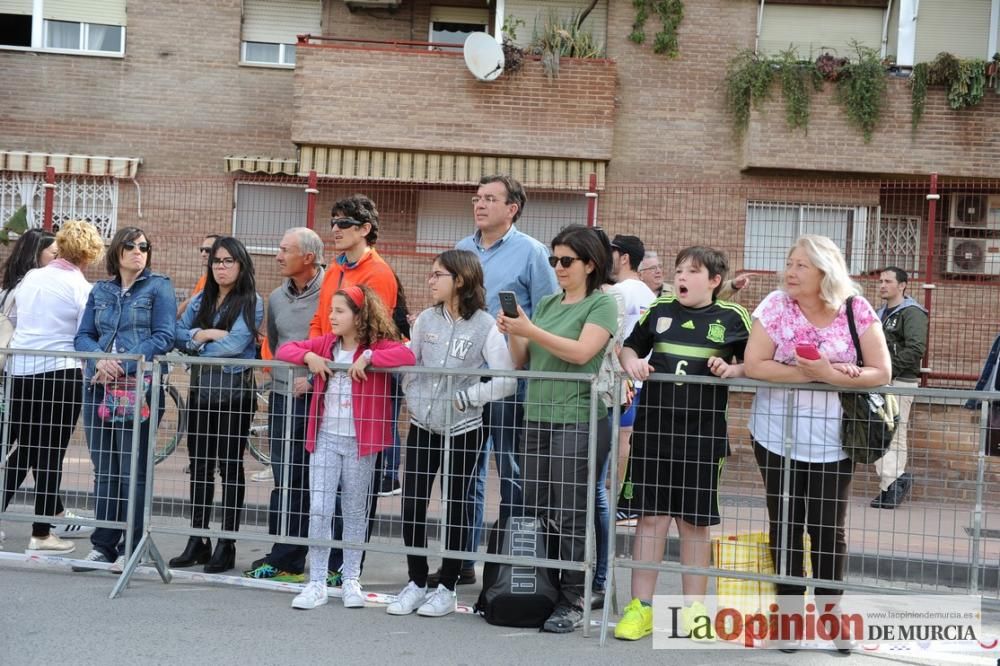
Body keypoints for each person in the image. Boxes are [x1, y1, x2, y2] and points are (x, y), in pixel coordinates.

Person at [744, 234, 891, 652]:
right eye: (789, 263)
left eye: (801, 265)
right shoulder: (774, 306)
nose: (789, 272)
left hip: (835, 440)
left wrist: (826, 374)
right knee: (786, 526)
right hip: (776, 436)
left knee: (828, 530)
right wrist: (820, 373)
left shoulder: (855, 309)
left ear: (825, 271)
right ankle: (789, 619)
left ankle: (831, 615)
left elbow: (881, 371)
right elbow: (755, 364)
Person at [613, 246, 751, 642]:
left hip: (703, 437)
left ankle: (693, 612)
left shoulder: (733, 317)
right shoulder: (659, 310)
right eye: (678, 270)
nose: (682, 277)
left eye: (693, 271)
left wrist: (734, 368)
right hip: (654, 433)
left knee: (694, 524)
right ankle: (640, 609)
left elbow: (756, 361)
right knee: (650, 519)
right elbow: (628, 348)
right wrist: (632, 363)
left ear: (714, 281)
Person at [497, 224, 617, 633]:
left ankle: (573, 597)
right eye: (554, 260)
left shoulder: (602, 305)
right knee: (535, 509)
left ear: (590, 264)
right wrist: (515, 331)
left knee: (569, 513)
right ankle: (544, 589)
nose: (558, 267)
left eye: (567, 261)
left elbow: (584, 353)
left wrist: (530, 330)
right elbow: (520, 360)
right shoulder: (547, 303)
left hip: (578, 419)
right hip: (537, 416)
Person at [388, 250, 516, 618]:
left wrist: (470, 397)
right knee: (413, 503)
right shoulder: (426, 318)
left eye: (437, 274)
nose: (430, 280)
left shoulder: (486, 324)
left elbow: (506, 380)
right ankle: (415, 581)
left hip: (464, 428)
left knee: (457, 506)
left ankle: (446, 586)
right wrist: (413, 392)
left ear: (459, 280)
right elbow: (410, 360)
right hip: (423, 424)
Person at [277, 285, 414, 610]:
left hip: (359, 443)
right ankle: (317, 582)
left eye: (339, 311)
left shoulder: (375, 346)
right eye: (331, 310)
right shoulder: (327, 343)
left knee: (354, 510)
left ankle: (351, 577)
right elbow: (286, 350)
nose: (331, 317)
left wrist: (370, 357)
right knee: (320, 508)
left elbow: (407, 354)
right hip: (324, 437)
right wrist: (309, 356)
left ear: (359, 315)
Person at [451, 174, 559, 586]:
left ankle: (505, 560)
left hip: (513, 377)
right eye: (477, 198)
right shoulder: (462, 249)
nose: (479, 205)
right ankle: (462, 559)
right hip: (467, 374)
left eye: (490, 199)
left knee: (510, 468)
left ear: (512, 208)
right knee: (466, 469)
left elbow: (547, 311)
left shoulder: (533, 253)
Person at [73, 227, 176, 570]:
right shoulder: (101, 290)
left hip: (140, 388)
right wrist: (100, 359)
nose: (138, 251)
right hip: (98, 387)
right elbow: (83, 336)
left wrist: (122, 363)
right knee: (105, 470)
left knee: (133, 469)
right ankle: (103, 545)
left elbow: (164, 336)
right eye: (130, 246)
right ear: (116, 251)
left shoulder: (159, 286)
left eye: (144, 246)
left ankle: (133, 546)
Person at [308, 194, 398, 581]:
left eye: (344, 224)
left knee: (356, 498)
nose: (335, 230)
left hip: (360, 386)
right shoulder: (333, 270)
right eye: (333, 222)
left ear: (365, 229)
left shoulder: (379, 273)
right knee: (322, 498)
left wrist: (353, 358)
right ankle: (321, 568)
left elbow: (377, 331)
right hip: (327, 376)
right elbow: (319, 321)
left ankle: (349, 570)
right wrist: (314, 358)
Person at [3, 220, 103, 554]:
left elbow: (15, 318)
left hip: (21, 371)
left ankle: (36, 527)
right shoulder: (81, 287)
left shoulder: (32, 276)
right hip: (60, 373)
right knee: (50, 455)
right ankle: (42, 533)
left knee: (25, 449)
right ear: (89, 254)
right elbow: (85, 332)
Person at [172, 237, 263, 573]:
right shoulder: (201, 299)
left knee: (229, 467)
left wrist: (197, 342)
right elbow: (177, 335)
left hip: (235, 397)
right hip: (201, 395)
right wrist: (206, 335)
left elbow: (236, 344)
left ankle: (227, 544)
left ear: (241, 265)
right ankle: (198, 540)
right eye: (216, 261)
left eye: (228, 261)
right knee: (199, 467)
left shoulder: (252, 301)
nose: (221, 267)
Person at [242, 228, 325, 583]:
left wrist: (315, 380)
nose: (277, 256)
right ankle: (283, 555)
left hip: (318, 399)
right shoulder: (276, 297)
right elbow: (276, 345)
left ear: (308, 257)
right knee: (284, 475)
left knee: (315, 480)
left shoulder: (331, 293)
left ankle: (316, 558)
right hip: (281, 398)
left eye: (284, 250)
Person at [872, 267, 927, 509]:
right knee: (879, 433)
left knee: (895, 433)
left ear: (902, 285)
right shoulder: (880, 313)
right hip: (880, 381)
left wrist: (887, 370)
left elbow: (916, 349)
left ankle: (891, 486)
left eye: (888, 281)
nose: (882, 285)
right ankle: (892, 483)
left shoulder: (912, 313)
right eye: (881, 281)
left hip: (900, 380)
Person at [639, 248, 748, 299]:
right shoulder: (633, 292)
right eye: (653, 268)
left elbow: (707, 291)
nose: (658, 271)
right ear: (641, 274)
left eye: (660, 266)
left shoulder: (674, 292)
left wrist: (733, 285)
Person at [177, 234, 221, 318]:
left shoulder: (224, 279)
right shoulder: (204, 278)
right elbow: (191, 301)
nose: (203, 254)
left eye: (208, 250)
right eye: (202, 250)